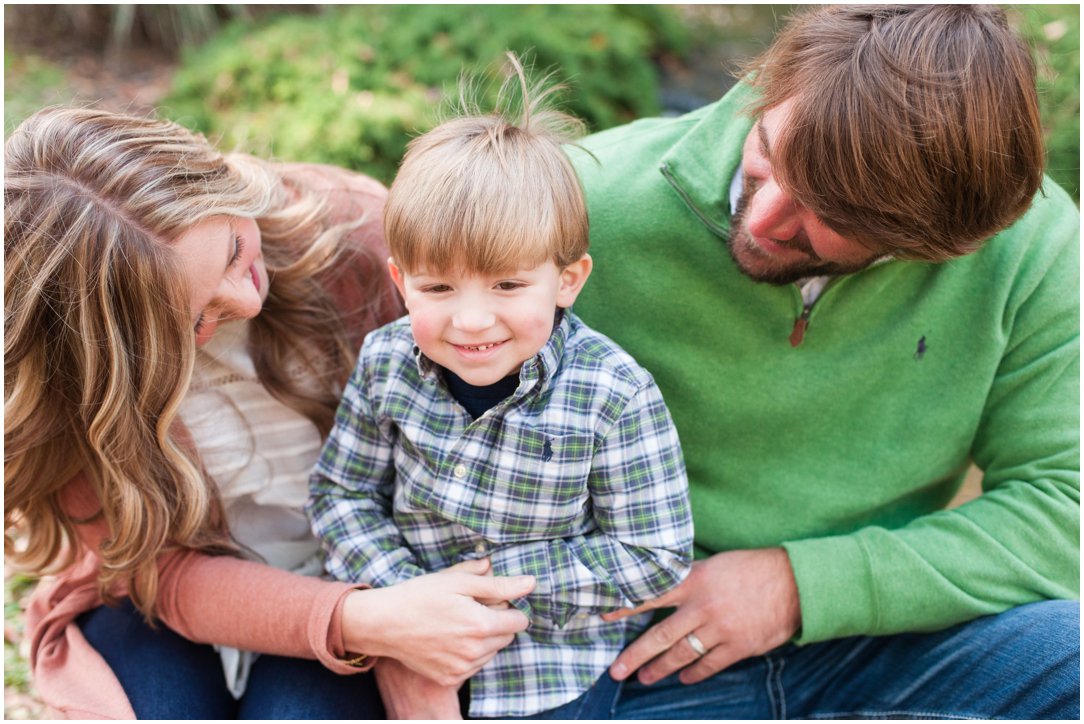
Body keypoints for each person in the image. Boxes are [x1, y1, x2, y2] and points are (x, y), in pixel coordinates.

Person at [565, 4, 1079, 719]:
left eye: (835, 213)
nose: (765, 215)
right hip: (634, 648)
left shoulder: (1035, 250)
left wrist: (797, 587)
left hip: (885, 635)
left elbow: (1065, 509)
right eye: (770, 150)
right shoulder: (586, 200)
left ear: (938, 241)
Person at [4, 106, 538, 719]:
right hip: (172, 596)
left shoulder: (355, 239)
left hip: (377, 569)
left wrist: (394, 637)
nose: (246, 300)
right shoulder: (73, 378)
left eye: (234, 249)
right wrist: (361, 621)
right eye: (194, 318)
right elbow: (163, 573)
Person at [307, 55, 694, 720]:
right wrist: (411, 596)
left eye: (509, 285)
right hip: (401, 637)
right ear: (401, 282)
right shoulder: (386, 363)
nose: (472, 319)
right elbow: (342, 492)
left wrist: (494, 591)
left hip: (549, 671)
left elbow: (655, 554)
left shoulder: (614, 394)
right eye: (437, 288)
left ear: (567, 280)